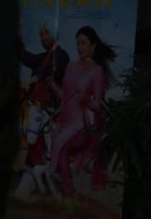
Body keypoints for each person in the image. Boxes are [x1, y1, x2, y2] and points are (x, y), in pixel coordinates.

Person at [49, 26, 116, 197]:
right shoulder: (70, 66)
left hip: (80, 125)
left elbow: (98, 106)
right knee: (58, 143)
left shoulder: (97, 71)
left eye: (84, 43)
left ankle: (68, 189)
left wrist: (87, 100)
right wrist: (54, 87)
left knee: (60, 144)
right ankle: (68, 189)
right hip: (65, 121)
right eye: (78, 43)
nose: (79, 47)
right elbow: (66, 97)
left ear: (93, 46)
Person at [18, 25, 69, 108]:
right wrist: (18, 37)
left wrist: (33, 79)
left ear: (54, 34)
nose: (43, 38)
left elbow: (54, 71)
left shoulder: (62, 55)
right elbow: (25, 57)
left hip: (49, 111)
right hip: (34, 106)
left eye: (46, 33)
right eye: (41, 35)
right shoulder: (42, 58)